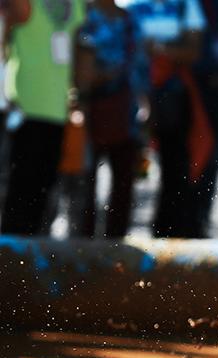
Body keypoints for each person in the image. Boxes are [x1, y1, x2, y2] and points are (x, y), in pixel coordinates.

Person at [1, 0, 85, 235]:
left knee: (44, 189)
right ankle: (10, 253)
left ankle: (32, 252)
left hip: (57, 108)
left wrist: (77, 93)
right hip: (24, 107)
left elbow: (74, 44)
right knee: (19, 190)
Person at [125, 0, 207, 238]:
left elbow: (194, 50)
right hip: (127, 95)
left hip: (169, 99)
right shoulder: (129, 4)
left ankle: (167, 230)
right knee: (128, 166)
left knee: (174, 167)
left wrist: (159, 49)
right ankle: (115, 233)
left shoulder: (185, 5)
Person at [74, 0, 148, 238]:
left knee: (124, 180)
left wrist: (146, 105)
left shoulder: (130, 20)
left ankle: (116, 243)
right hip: (88, 110)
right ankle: (83, 241)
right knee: (84, 181)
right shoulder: (82, 16)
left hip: (126, 112)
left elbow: (141, 66)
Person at [191, 0, 218, 236]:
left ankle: (201, 216)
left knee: (212, 156)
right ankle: (182, 217)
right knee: (188, 155)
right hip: (189, 85)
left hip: (216, 86)